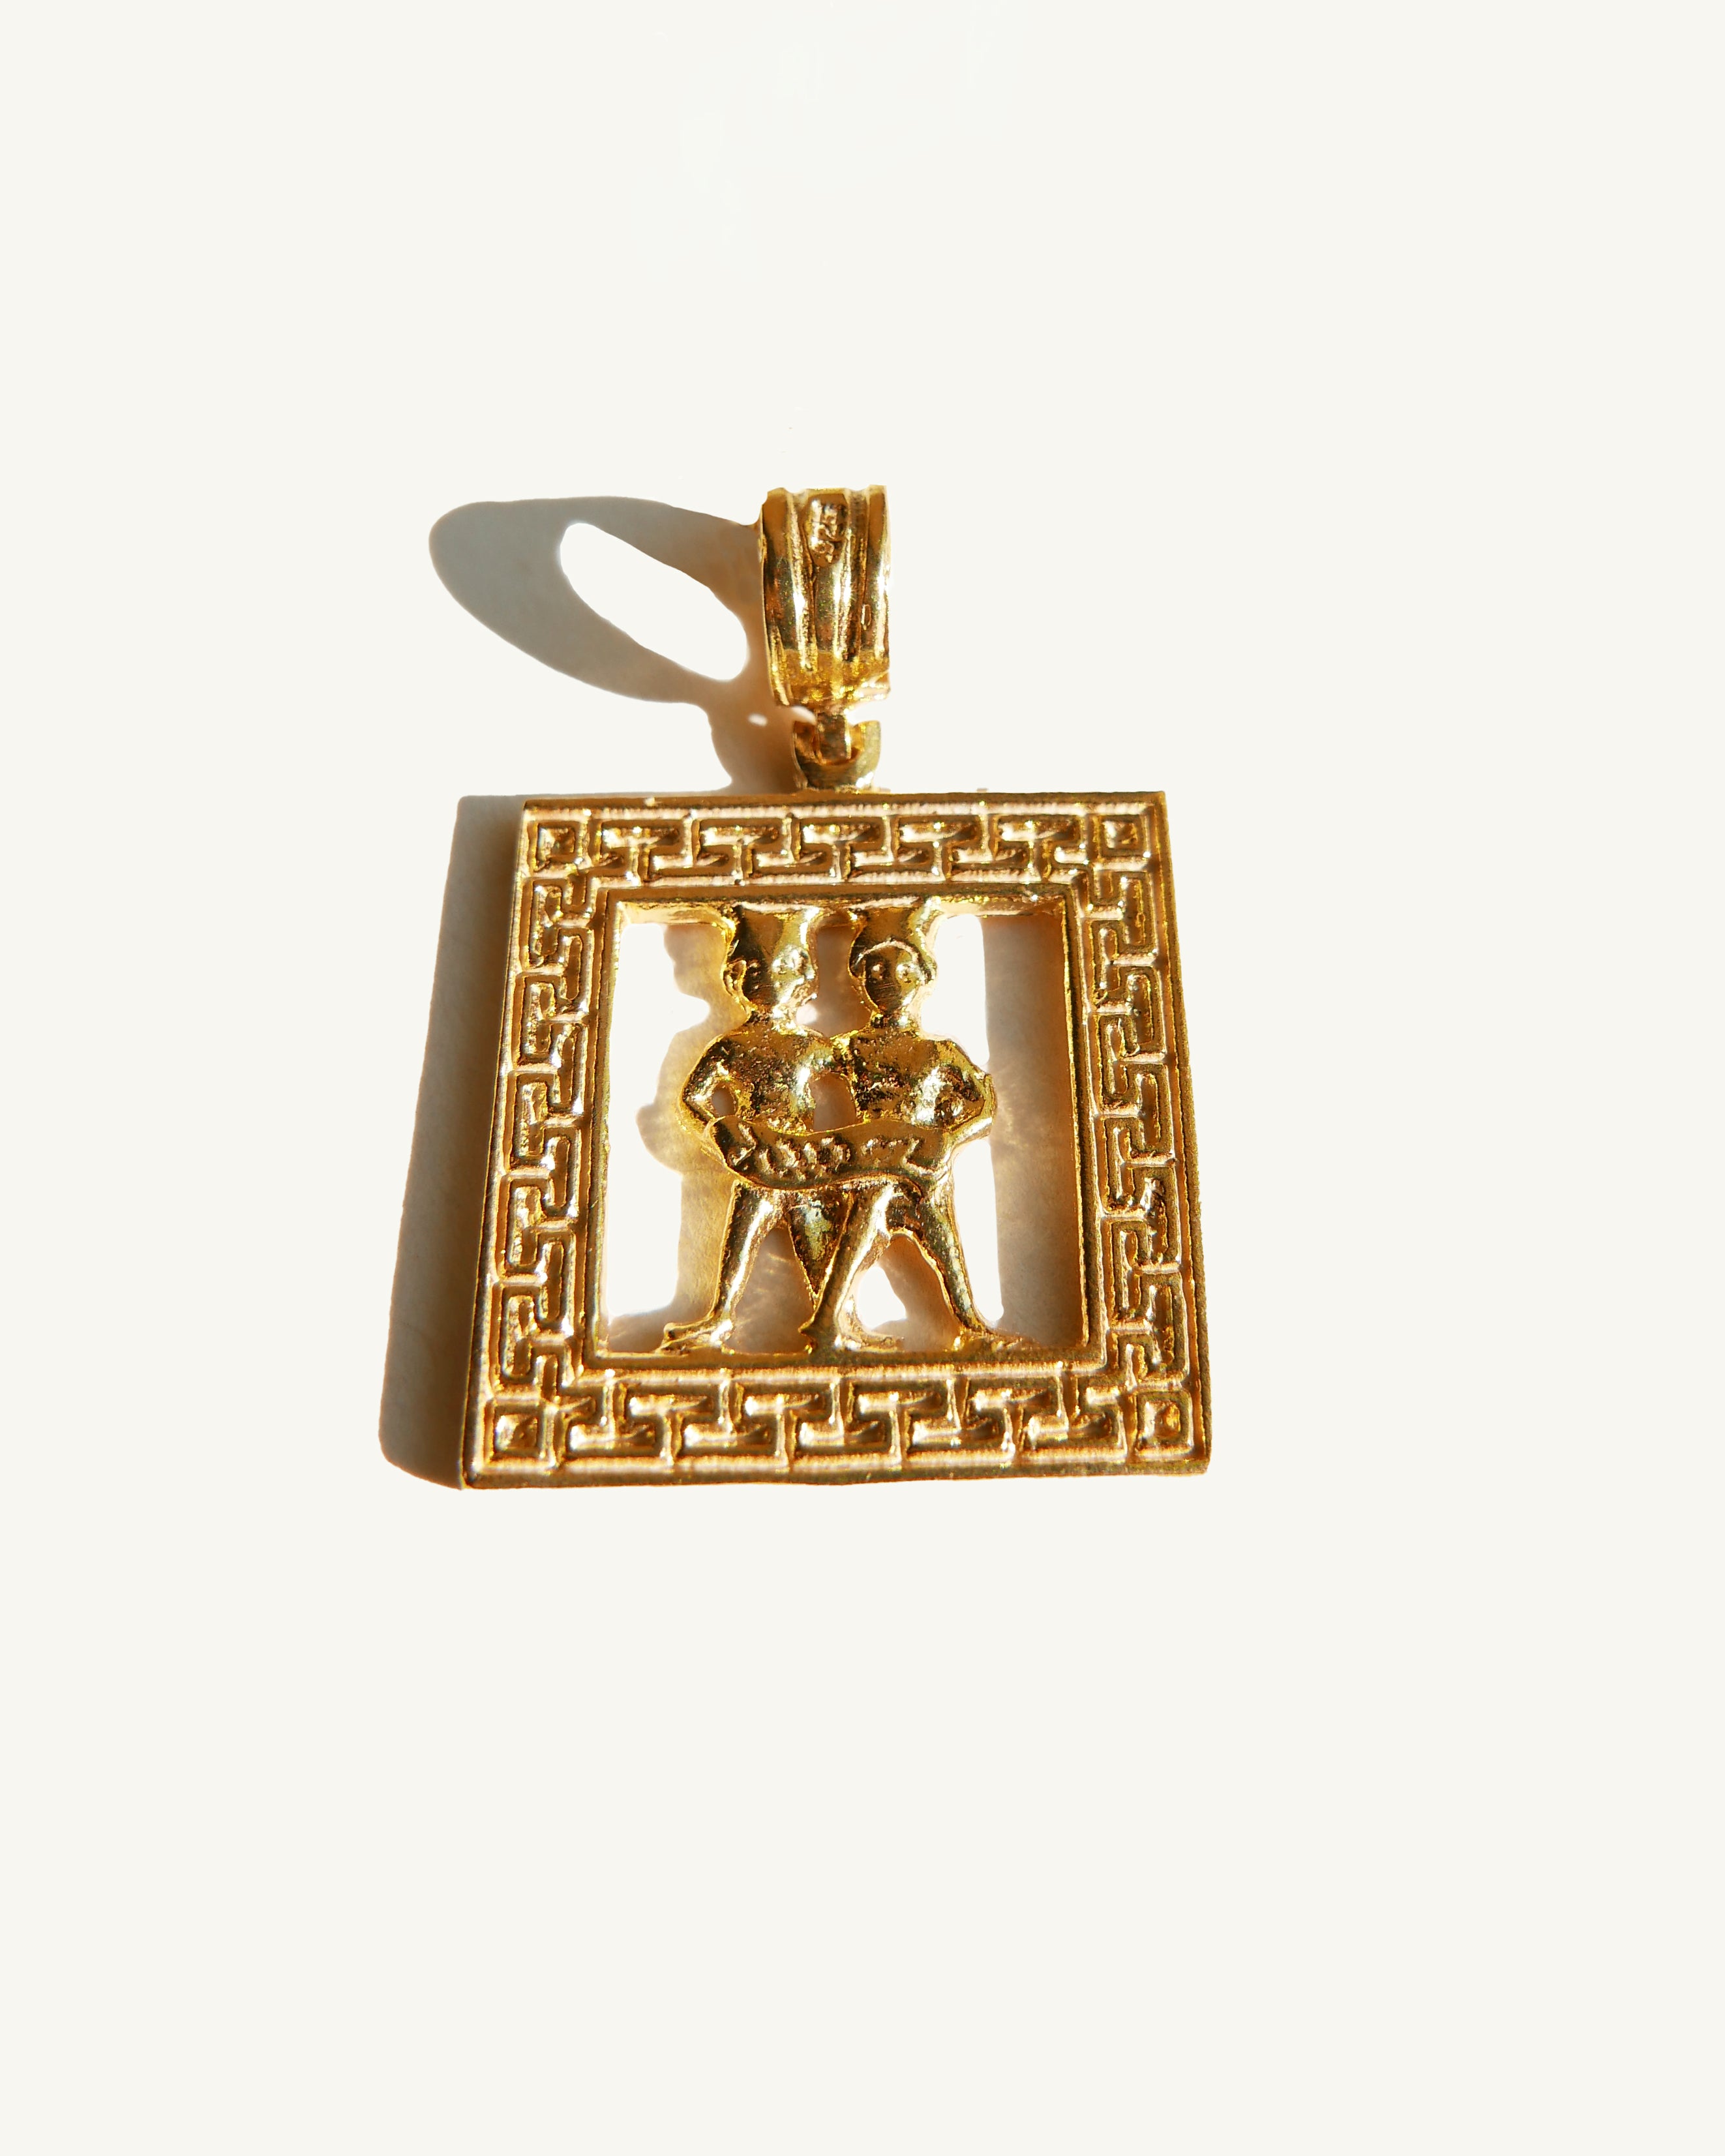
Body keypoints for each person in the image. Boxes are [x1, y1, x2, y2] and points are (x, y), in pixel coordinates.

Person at [800, 903, 1008, 1354]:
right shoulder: (850, 1048)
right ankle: (829, 1319)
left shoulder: (940, 1052)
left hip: (922, 1168)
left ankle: (968, 1323)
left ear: (921, 977)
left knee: (941, 1242)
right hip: (873, 1163)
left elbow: (981, 1105)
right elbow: (799, 1076)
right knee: (861, 1230)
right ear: (860, 979)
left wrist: (948, 1140)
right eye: (875, 971)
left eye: (900, 970)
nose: (888, 981)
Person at [660, 906, 843, 1352]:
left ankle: (837, 1320)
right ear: (738, 977)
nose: (771, 981)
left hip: (804, 1166)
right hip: (754, 1164)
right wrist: (721, 1132)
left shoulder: (815, 1046)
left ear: (802, 975)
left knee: (818, 1247)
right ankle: (719, 1317)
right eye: (758, 971)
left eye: (782, 969)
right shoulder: (730, 1046)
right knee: (738, 1245)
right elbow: (693, 1098)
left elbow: (854, 1090)